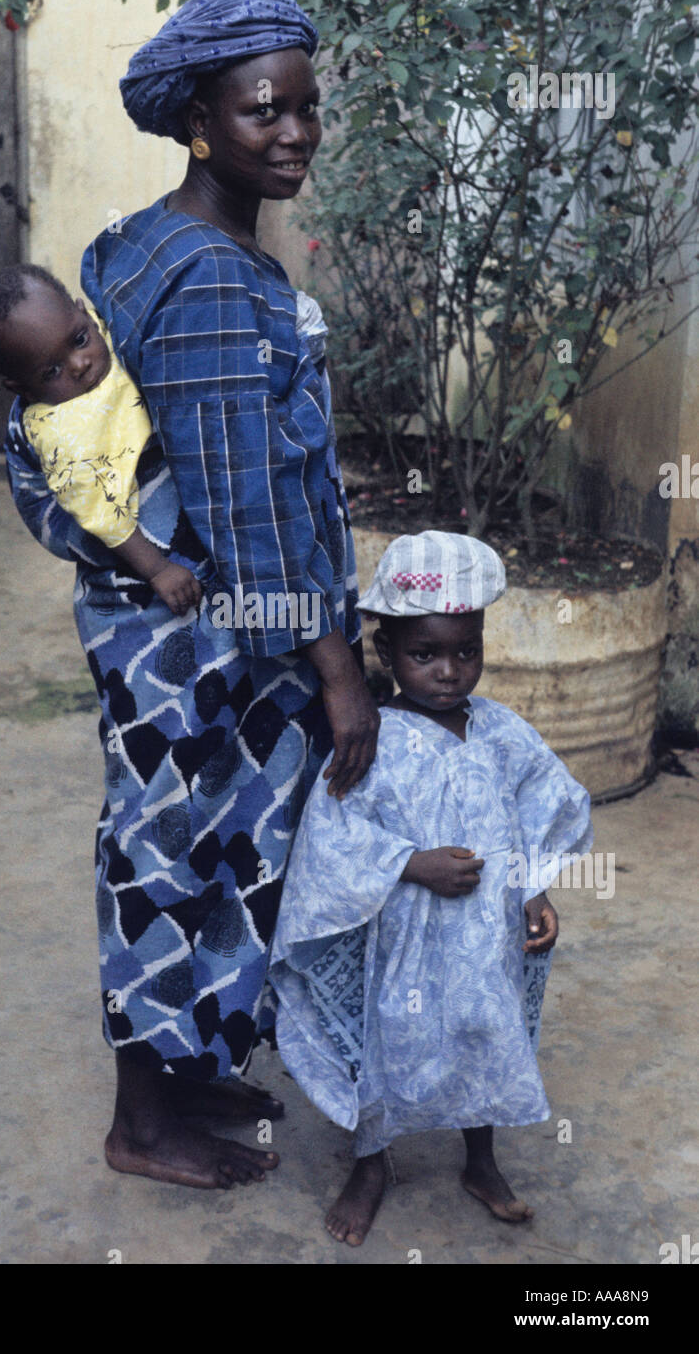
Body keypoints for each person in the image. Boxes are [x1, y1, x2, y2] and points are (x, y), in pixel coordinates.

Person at [2, 0, 380, 1191]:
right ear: (199, 123)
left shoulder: (142, 236)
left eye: (307, 109)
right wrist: (339, 670)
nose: (295, 133)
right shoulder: (215, 280)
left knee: (200, 846)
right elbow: (248, 510)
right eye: (263, 110)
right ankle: (141, 1123)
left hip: (161, 635)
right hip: (202, 641)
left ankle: (185, 1066)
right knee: (170, 857)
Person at [270, 531, 593, 1244]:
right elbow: (333, 836)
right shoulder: (370, 740)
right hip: (406, 939)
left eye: (465, 651)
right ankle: (372, 1162)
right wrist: (411, 865)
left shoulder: (501, 734)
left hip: (486, 937)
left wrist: (535, 891)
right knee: (390, 1040)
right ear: (387, 655)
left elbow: (535, 814)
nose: (449, 671)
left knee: (487, 1028)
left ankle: (481, 1159)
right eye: (425, 654)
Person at [0, 264, 201, 616]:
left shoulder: (118, 333)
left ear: (82, 311)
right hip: (141, 576)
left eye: (79, 340)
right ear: (22, 389)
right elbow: (100, 514)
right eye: (52, 371)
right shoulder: (61, 434)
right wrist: (158, 569)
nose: (79, 364)